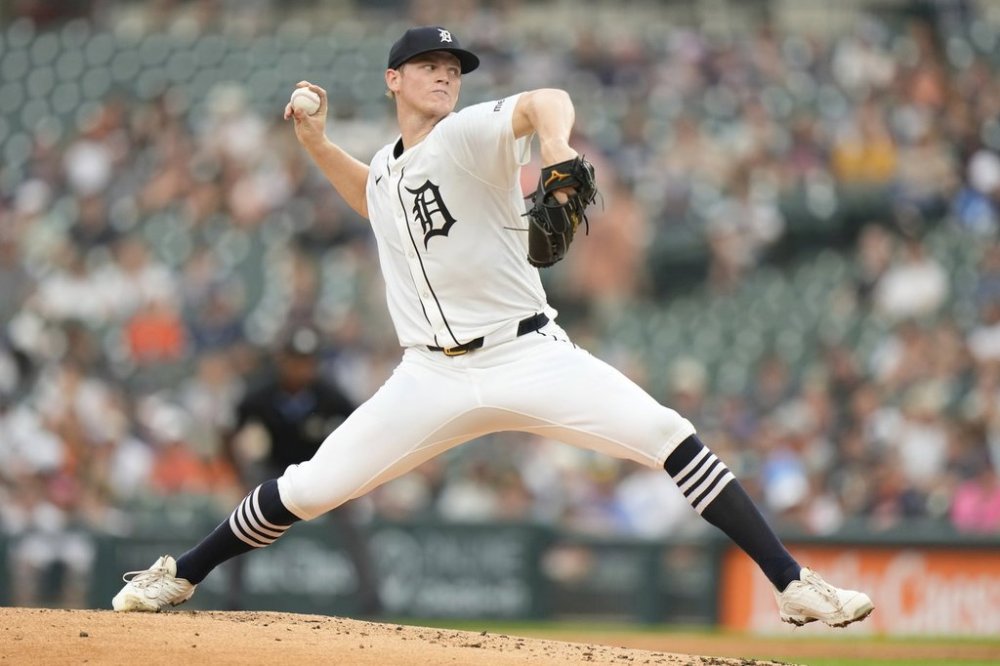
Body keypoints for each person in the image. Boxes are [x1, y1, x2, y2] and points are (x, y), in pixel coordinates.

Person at [112, 25, 874, 628]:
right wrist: (315, 145)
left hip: (527, 353)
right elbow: (373, 197)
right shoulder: (388, 168)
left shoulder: (470, 133)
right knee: (310, 487)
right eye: (429, 64)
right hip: (431, 376)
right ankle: (177, 575)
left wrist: (554, 148)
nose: (446, 74)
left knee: (667, 432)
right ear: (393, 79)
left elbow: (545, 96)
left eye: (454, 65)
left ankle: (792, 584)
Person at [221, 326, 381, 614]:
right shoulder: (262, 392)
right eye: (295, 360)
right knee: (243, 521)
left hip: (320, 470)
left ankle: (371, 600)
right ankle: (232, 597)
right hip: (275, 470)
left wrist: (352, 477)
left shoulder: (328, 394)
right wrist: (239, 474)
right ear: (282, 360)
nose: (301, 367)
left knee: (352, 526)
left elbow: (361, 427)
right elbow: (229, 431)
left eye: (308, 361)